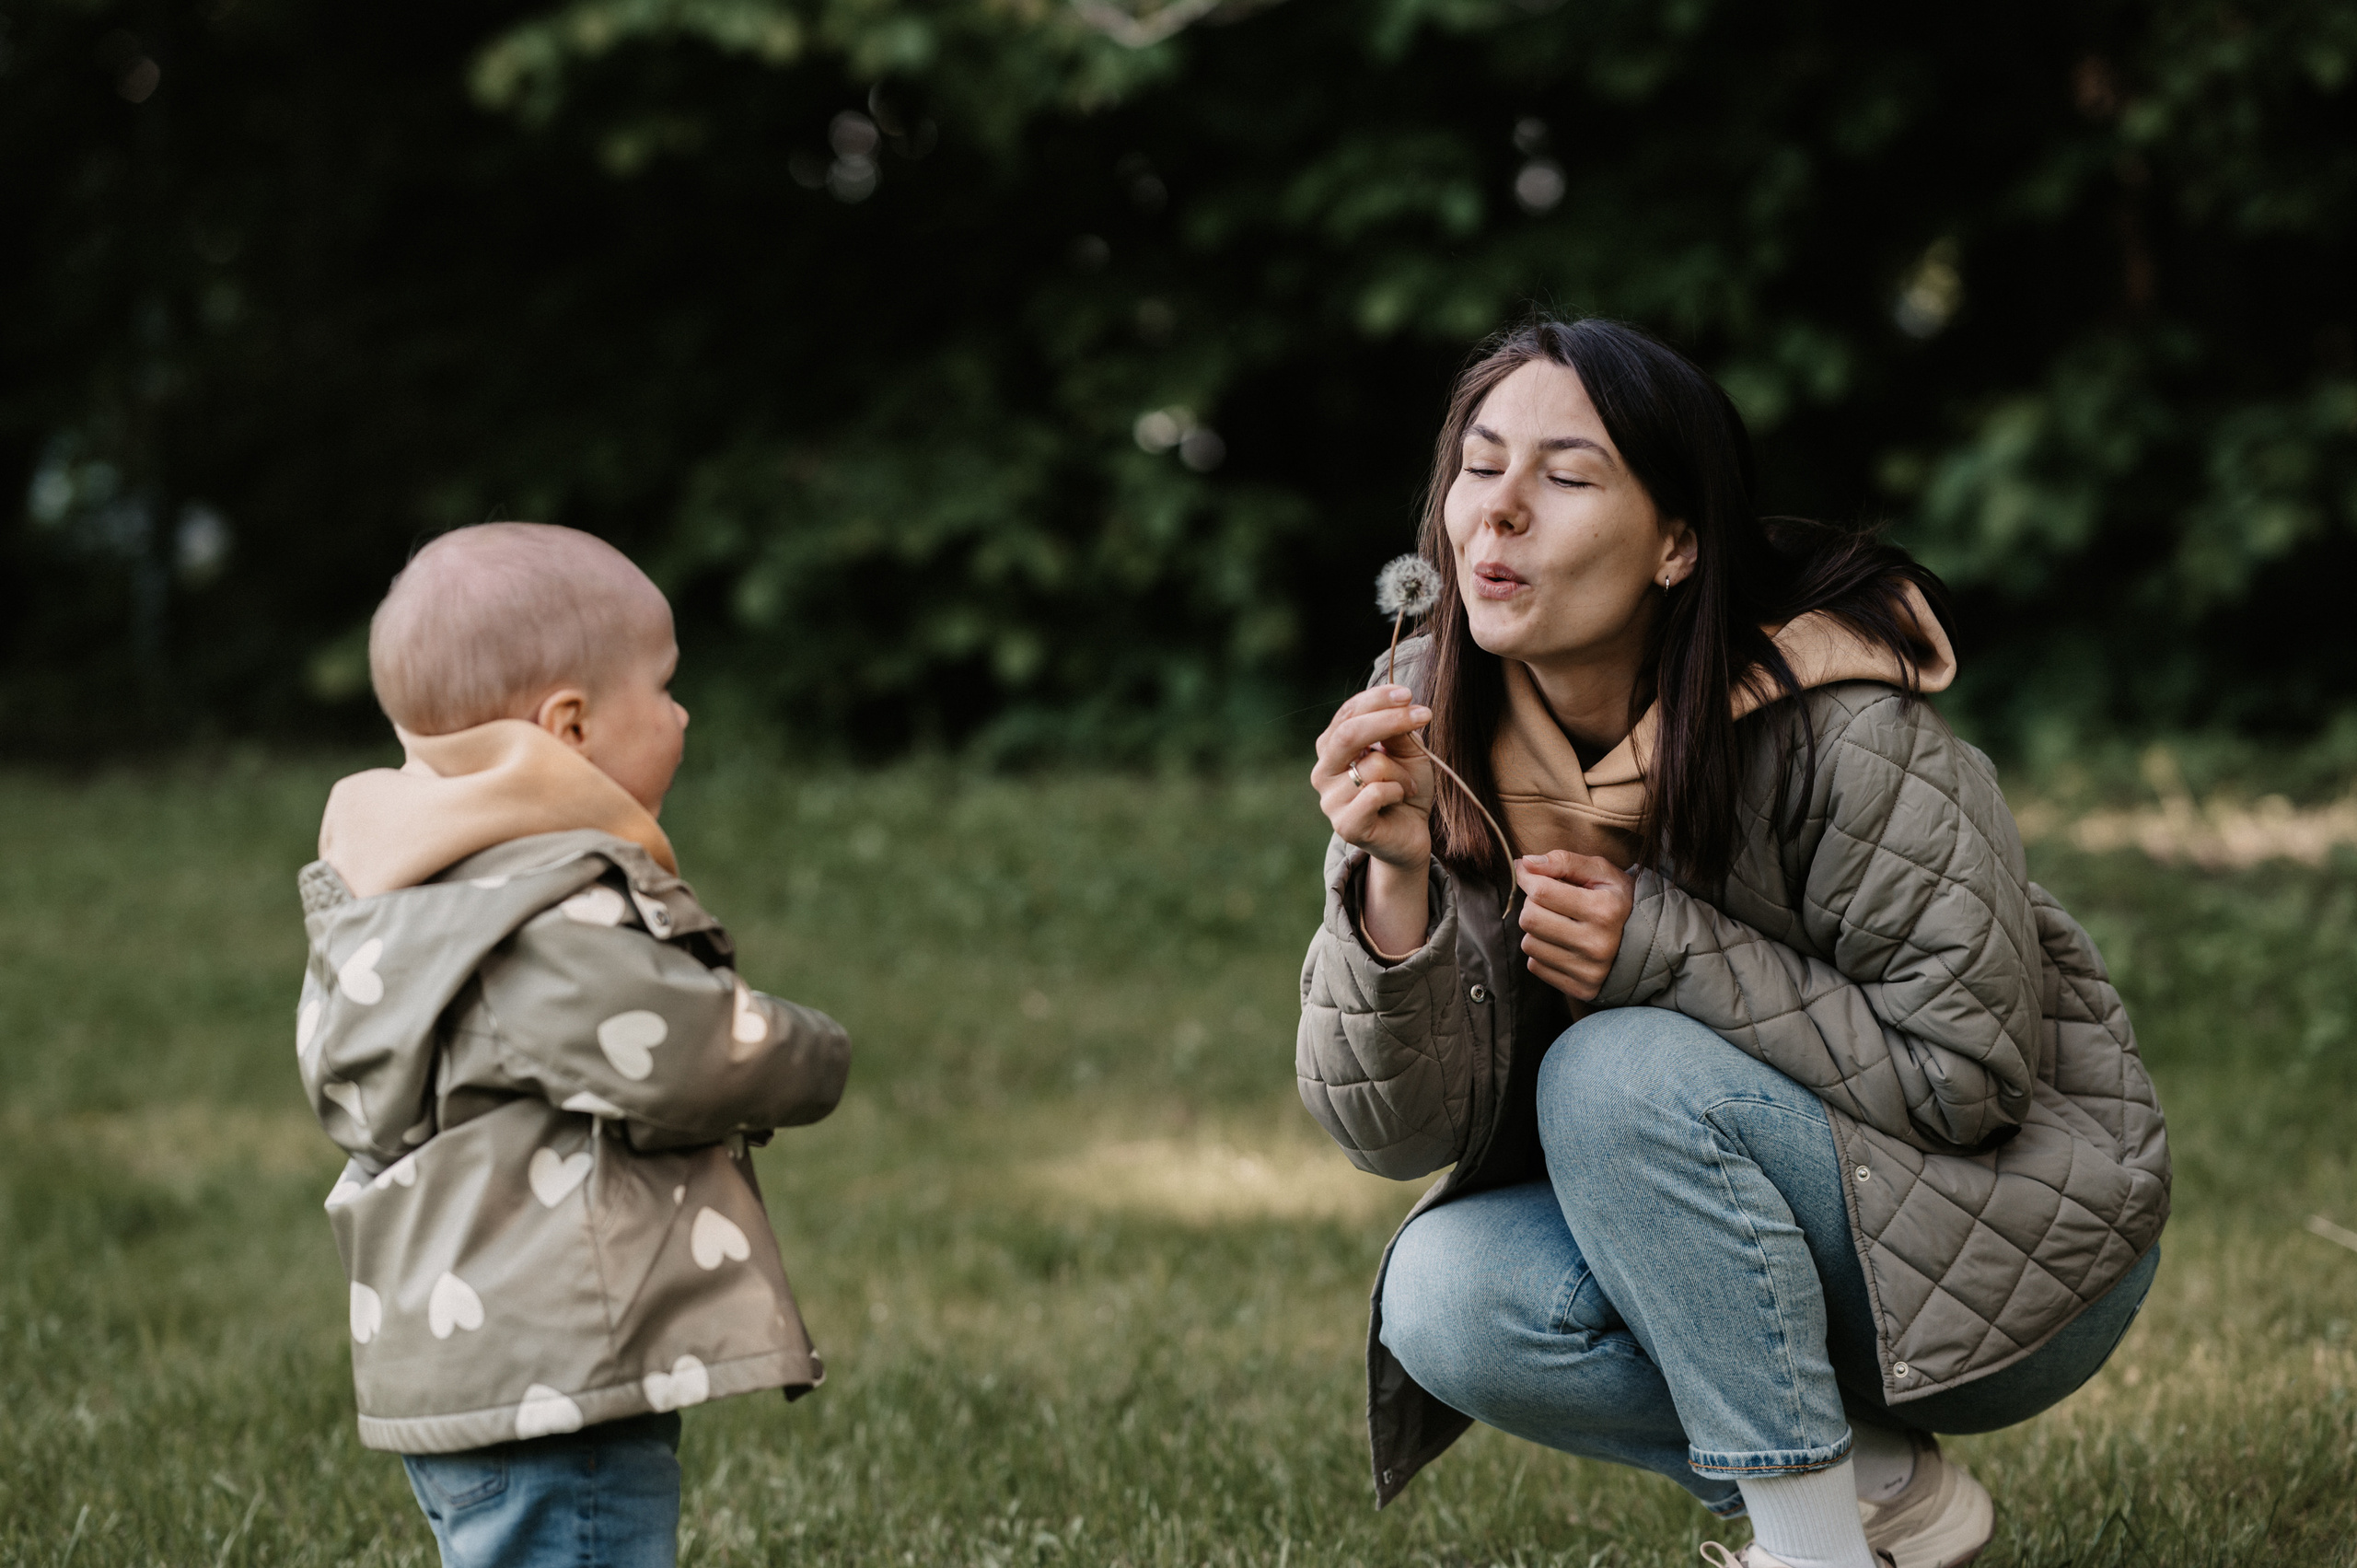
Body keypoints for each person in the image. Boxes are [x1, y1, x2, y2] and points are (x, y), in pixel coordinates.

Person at [1296, 319, 2168, 1568]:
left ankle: (1808, 1548)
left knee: (1611, 1072)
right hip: (1744, 1240)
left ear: (1678, 544)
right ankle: (1872, 1492)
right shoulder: (1436, 736)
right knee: (1447, 1294)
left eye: (1567, 474)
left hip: (2011, 1248)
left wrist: (1661, 949)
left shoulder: (1854, 733)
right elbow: (1396, 1134)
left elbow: (1967, 1079)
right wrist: (1393, 870)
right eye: (1479, 465)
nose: (1498, 513)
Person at [295, 522, 852, 1568]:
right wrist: (806, 1050)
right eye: (666, 686)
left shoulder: (401, 901)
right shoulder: (536, 910)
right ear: (571, 723)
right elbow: (679, 1049)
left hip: (465, 1363)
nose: (683, 714)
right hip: (556, 1375)